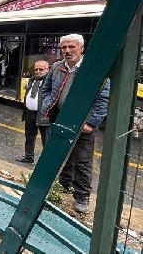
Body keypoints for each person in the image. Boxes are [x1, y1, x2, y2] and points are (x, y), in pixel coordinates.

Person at [39, 34, 110, 214]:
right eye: (64, 48)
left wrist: (92, 122)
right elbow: (46, 89)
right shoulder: (56, 67)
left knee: (83, 160)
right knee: (59, 153)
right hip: (60, 118)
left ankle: (82, 196)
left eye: (72, 47)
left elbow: (103, 99)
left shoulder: (93, 69)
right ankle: (63, 185)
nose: (67, 51)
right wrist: (47, 107)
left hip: (82, 123)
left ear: (81, 49)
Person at [16, 60, 50, 164]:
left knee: (47, 140)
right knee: (29, 137)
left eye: (41, 69)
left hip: (44, 115)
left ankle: (47, 162)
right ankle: (28, 157)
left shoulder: (50, 81)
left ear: (47, 70)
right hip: (30, 113)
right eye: (36, 69)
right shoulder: (32, 79)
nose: (38, 71)